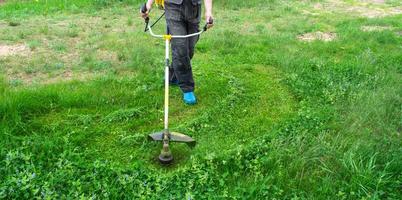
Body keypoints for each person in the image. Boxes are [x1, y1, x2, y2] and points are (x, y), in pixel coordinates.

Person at [141, 0, 213, 105]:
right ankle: (187, 89)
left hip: (194, 9)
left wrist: (209, 11)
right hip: (173, 7)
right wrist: (148, 5)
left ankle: (172, 77)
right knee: (180, 48)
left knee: (189, 50)